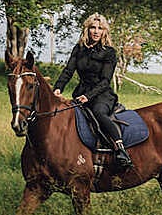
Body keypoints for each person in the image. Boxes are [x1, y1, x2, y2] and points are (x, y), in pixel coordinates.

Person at [53, 13, 133, 170]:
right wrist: (57, 88)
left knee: (98, 113)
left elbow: (105, 81)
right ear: (87, 30)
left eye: (100, 28)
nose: (96, 31)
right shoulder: (79, 49)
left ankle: (121, 150)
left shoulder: (109, 52)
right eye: (93, 28)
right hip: (81, 93)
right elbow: (68, 71)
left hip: (102, 95)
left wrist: (88, 97)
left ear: (104, 32)